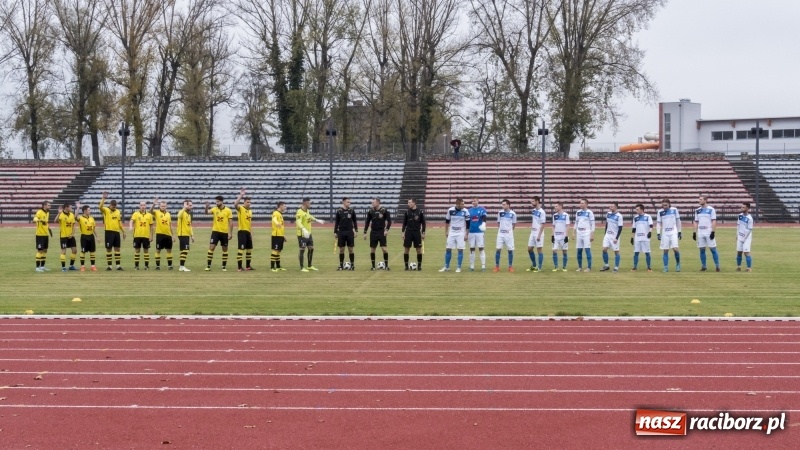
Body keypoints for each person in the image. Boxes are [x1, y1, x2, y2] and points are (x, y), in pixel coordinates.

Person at [439, 198, 470, 272]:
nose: (464, 205)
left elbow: (468, 224)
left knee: (460, 249)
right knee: (448, 249)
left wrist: (466, 234)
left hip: (461, 233)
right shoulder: (450, 210)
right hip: (452, 233)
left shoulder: (465, 211)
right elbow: (447, 222)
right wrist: (446, 231)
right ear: (457, 204)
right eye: (462, 204)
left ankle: (458, 267)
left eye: (464, 204)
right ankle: (446, 266)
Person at [204, 195, 233, 271]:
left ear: (222, 201)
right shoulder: (214, 209)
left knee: (224, 249)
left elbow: (231, 223)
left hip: (224, 233)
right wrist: (206, 207)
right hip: (215, 232)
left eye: (218, 201)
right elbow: (207, 213)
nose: (216, 203)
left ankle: (224, 266)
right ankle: (208, 266)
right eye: (216, 201)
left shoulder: (228, 210)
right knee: (211, 247)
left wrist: (230, 233)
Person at [296, 197, 325, 272]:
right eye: (309, 202)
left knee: (311, 248)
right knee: (302, 250)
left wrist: (316, 220)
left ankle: (309, 265)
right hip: (302, 234)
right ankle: (302, 267)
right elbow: (298, 222)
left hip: (309, 233)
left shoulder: (307, 211)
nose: (310, 204)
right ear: (305, 203)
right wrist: (303, 228)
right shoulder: (299, 212)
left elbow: (309, 216)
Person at [99, 192, 126, 270]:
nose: (114, 208)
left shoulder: (118, 211)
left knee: (117, 248)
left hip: (116, 232)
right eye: (113, 207)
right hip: (109, 232)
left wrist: (123, 231)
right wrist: (103, 198)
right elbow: (100, 207)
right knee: (109, 249)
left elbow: (119, 222)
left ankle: (118, 266)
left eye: (115, 207)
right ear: (110, 205)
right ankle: (109, 266)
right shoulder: (106, 210)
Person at [694, 195, 720, 272]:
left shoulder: (711, 210)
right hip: (700, 233)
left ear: (705, 200)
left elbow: (714, 221)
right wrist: (694, 232)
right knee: (701, 249)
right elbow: (696, 221)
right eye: (699, 199)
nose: (699, 201)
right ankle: (704, 266)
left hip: (708, 232)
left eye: (700, 199)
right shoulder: (697, 210)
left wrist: (713, 231)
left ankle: (717, 266)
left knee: (713, 249)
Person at [364, 197, 391, 270]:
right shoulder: (370, 211)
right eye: (372, 202)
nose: (372, 203)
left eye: (374, 202)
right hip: (373, 232)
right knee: (372, 249)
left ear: (378, 202)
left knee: (384, 249)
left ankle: (386, 266)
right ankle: (373, 266)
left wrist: (386, 230)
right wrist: (365, 232)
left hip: (381, 231)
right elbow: (367, 222)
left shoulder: (384, 210)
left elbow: (389, 221)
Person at [656, 198, 682, 272]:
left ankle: (678, 264)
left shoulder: (674, 210)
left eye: (666, 205)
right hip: (665, 233)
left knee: (675, 249)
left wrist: (679, 231)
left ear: (669, 204)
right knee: (665, 250)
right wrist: (658, 233)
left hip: (673, 231)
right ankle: (666, 267)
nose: (664, 207)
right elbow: (658, 223)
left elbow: (678, 221)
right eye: (663, 205)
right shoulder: (660, 212)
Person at [150, 198, 175, 270]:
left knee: (169, 250)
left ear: (166, 206)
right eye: (161, 206)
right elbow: (150, 211)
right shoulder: (157, 212)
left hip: (168, 235)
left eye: (164, 206)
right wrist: (154, 204)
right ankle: (157, 266)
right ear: (159, 206)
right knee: (158, 250)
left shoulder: (168, 214)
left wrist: (173, 235)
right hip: (160, 234)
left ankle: (170, 266)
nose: (163, 207)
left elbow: (170, 225)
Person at [334, 197, 358, 270]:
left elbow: (354, 221)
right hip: (341, 232)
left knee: (350, 249)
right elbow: (336, 222)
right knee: (341, 249)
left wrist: (356, 230)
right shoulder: (339, 211)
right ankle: (341, 266)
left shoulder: (352, 211)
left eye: (349, 202)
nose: (349, 203)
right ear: (343, 202)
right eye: (348, 202)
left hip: (349, 232)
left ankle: (352, 265)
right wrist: (335, 232)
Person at [129, 201, 154, 270]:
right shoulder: (136, 214)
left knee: (146, 251)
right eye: (141, 205)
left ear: (145, 206)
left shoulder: (149, 215)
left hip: (146, 236)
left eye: (144, 205)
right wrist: (130, 226)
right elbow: (131, 221)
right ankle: (136, 266)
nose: (142, 207)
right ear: (139, 206)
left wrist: (151, 235)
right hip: (137, 236)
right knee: (137, 250)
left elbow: (151, 226)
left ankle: (146, 266)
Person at [234, 188, 254, 271]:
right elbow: (235, 204)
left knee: (249, 249)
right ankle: (239, 267)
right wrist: (241, 195)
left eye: (249, 202)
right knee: (241, 249)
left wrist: (251, 232)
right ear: (244, 202)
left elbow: (249, 223)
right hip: (242, 231)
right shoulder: (241, 209)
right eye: (247, 202)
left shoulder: (250, 211)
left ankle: (248, 266)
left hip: (248, 232)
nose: (249, 203)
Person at [402, 198, 425, 270]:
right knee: (406, 249)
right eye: (408, 202)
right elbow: (404, 223)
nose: (408, 204)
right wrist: (403, 232)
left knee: (418, 250)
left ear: (414, 203)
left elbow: (423, 223)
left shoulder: (420, 212)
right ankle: (406, 266)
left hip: (417, 232)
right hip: (408, 232)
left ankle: (419, 266)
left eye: (410, 202)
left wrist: (423, 232)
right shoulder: (407, 212)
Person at [493, 199, 516, 272]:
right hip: (500, 234)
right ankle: (497, 266)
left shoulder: (513, 214)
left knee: (510, 250)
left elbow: (514, 224)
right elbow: (498, 223)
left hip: (509, 234)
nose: (502, 206)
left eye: (504, 204)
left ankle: (510, 266)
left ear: (508, 205)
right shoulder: (500, 213)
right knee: (498, 249)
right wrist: (501, 230)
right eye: (502, 204)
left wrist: (509, 231)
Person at [600, 202, 624, 273]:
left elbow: (620, 228)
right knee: (604, 249)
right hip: (607, 235)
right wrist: (605, 234)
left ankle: (616, 267)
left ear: (616, 207)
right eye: (610, 206)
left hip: (614, 236)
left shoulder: (619, 216)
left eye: (612, 206)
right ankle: (606, 265)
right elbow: (607, 224)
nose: (610, 207)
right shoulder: (608, 214)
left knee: (616, 251)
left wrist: (616, 237)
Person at [573, 198, 595, 272]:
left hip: (586, 233)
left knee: (587, 250)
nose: (581, 204)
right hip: (579, 232)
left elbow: (593, 224)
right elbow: (576, 223)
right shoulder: (578, 212)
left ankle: (589, 267)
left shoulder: (589, 213)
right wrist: (573, 232)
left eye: (582, 203)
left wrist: (592, 234)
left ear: (586, 204)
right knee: (579, 250)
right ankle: (580, 267)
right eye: (580, 203)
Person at [630, 203, 653, 272]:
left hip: (645, 238)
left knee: (647, 252)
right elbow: (634, 228)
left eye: (637, 209)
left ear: (642, 209)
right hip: (637, 238)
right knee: (636, 252)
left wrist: (650, 232)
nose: (636, 211)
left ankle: (649, 267)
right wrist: (632, 237)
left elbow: (651, 225)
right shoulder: (635, 218)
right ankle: (635, 267)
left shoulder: (648, 217)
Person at [56, 202, 78, 271]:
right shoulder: (61, 214)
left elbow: (74, 225)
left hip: (71, 236)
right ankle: (63, 267)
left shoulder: (71, 214)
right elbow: (55, 221)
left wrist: (73, 234)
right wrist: (59, 213)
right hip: (63, 236)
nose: (71, 208)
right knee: (64, 251)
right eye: (70, 207)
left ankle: (71, 266)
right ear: (66, 208)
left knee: (74, 250)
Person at [526, 197, 546, 272]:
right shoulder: (533, 211)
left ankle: (539, 267)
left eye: (533, 201)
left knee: (539, 250)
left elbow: (543, 224)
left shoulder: (542, 212)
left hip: (538, 233)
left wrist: (539, 235)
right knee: (529, 249)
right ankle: (534, 265)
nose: (531, 202)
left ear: (537, 201)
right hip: (532, 233)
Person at [77, 204, 99, 271]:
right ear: (85, 211)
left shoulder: (92, 218)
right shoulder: (80, 218)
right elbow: (75, 217)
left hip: (91, 236)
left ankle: (93, 266)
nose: (90, 211)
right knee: (83, 251)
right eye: (89, 210)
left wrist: (97, 237)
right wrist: (78, 208)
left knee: (92, 251)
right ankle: (82, 266)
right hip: (84, 236)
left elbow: (94, 229)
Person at [467, 198, 487, 271]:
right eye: (472, 201)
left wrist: (484, 224)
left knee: (481, 249)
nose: (473, 202)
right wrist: (466, 232)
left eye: (474, 201)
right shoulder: (469, 211)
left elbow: (484, 217)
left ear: (478, 201)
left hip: (479, 232)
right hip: (471, 232)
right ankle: (472, 266)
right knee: (472, 249)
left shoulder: (482, 209)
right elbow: (467, 221)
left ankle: (483, 266)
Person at [33, 201, 52, 272]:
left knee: (45, 250)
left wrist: (49, 228)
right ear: (44, 205)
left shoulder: (47, 213)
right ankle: (37, 267)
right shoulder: (40, 212)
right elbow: (34, 218)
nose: (49, 207)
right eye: (48, 205)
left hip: (45, 234)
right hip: (40, 235)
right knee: (40, 250)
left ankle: (42, 266)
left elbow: (46, 222)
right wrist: (39, 220)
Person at [176, 199, 194, 272]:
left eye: (191, 205)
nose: (191, 206)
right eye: (189, 205)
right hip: (182, 234)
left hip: (186, 234)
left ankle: (181, 266)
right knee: (185, 250)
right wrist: (184, 207)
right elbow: (178, 216)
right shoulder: (182, 212)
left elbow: (189, 226)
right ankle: (182, 266)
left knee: (183, 250)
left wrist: (192, 235)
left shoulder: (189, 214)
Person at [551, 203, 569, 271]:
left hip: (563, 236)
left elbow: (567, 226)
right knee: (554, 251)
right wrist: (552, 235)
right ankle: (556, 267)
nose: (555, 207)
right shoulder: (554, 216)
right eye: (554, 206)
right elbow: (553, 226)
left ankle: (564, 267)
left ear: (560, 207)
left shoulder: (566, 215)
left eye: (556, 206)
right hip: (556, 236)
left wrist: (566, 236)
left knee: (564, 251)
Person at [736, 202, 754, 272]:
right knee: (739, 252)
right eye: (741, 207)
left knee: (746, 252)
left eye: (743, 207)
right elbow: (738, 225)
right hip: (740, 236)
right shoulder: (740, 216)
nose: (742, 208)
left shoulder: (750, 218)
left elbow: (749, 230)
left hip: (747, 238)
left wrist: (744, 238)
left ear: (747, 208)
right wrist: (737, 234)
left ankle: (749, 268)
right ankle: (738, 267)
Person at [271, 202, 288, 272]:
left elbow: (281, 226)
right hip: (276, 235)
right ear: (280, 206)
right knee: (275, 250)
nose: (285, 207)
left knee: (278, 251)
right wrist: (277, 223)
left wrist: (283, 236)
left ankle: (278, 266)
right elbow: (274, 219)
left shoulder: (280, 214)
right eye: (284, 206)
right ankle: (272, 267)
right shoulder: (276, 213)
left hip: (280, 235)